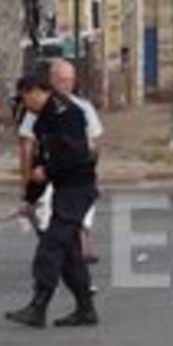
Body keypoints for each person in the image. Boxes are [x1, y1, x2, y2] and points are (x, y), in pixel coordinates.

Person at [6, 73, 100, 328]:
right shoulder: (43, 119)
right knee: (70, 255)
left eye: (25, 98)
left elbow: (80, 155)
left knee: (49, 247)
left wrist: (49, 170)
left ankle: (38, 307)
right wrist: (29, 200)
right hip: (64, 190)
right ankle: (86, 310)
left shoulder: (67, 114)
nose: (24, 105)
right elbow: (39, 162)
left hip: (77, 190)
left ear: (36, 91)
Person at [19, 59, 104, 265]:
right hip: (54, 178)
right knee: (53, 224)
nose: (67, 85)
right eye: (61, 80)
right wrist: (27, 183)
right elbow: (29, 146)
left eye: (70, 80)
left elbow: (92, 143)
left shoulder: (79, 108)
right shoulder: (37, 111)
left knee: (72, 223)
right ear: (51, 81)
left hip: (73, 177)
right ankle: (65, 264)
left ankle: (75, 255)